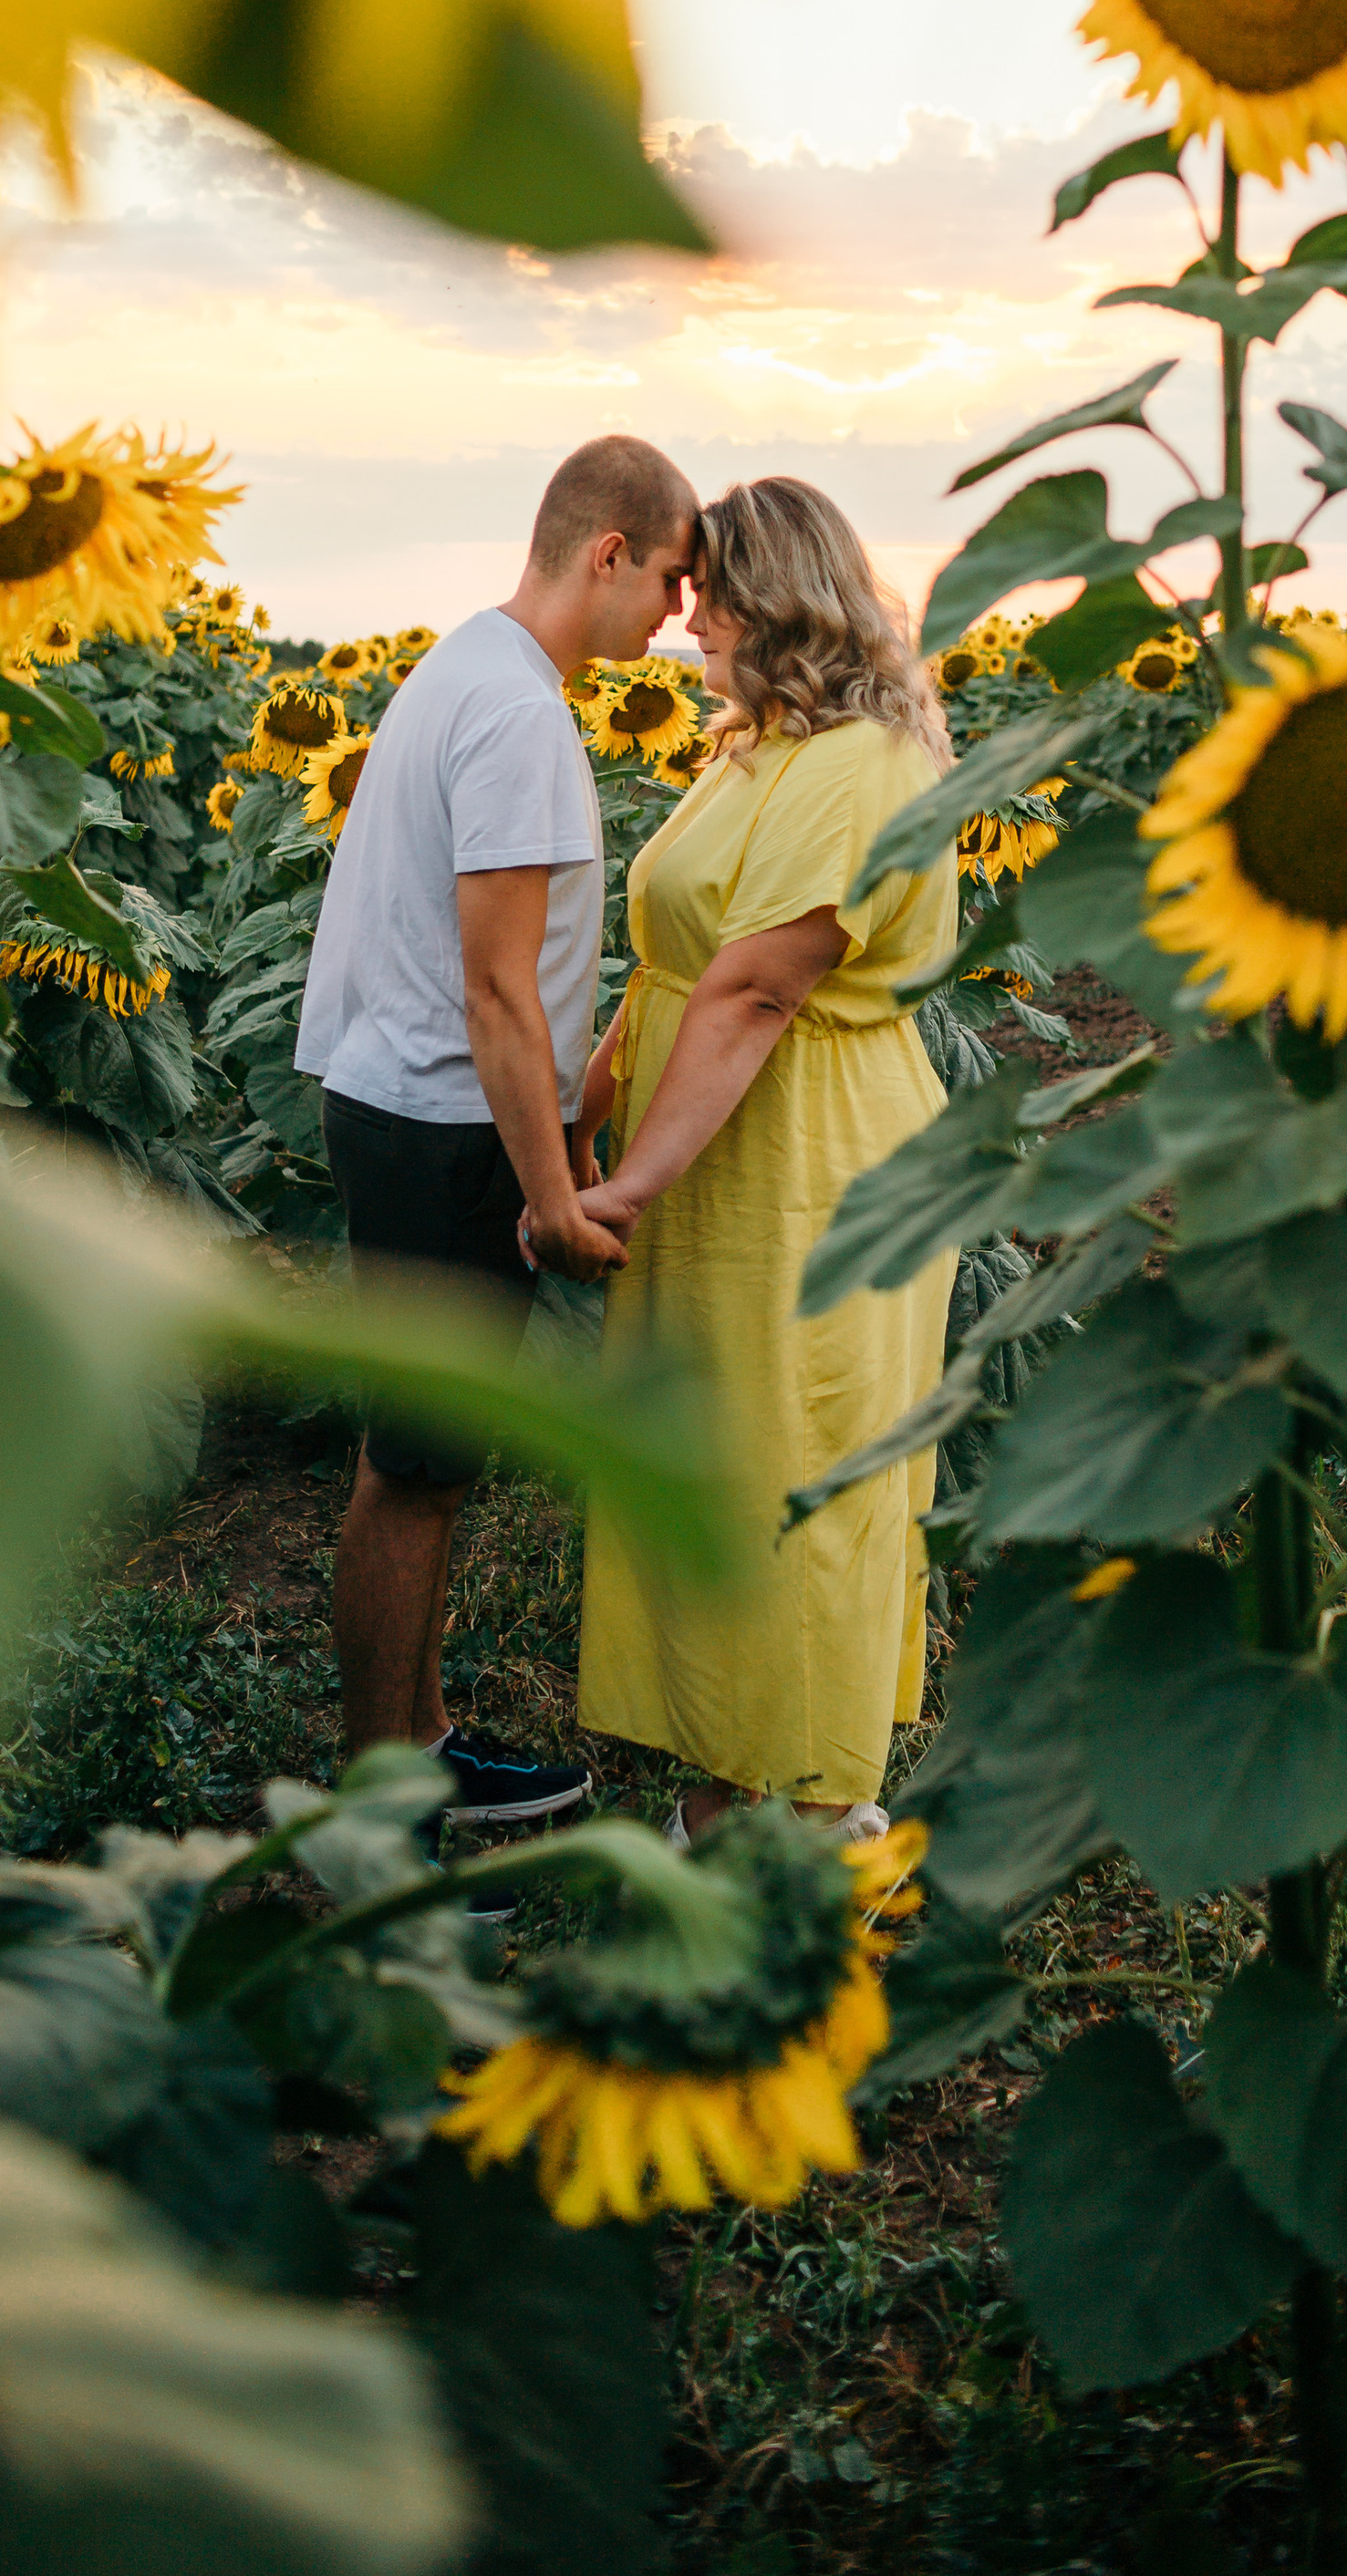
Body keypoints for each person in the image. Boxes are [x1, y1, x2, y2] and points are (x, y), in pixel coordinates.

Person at [295, 433, 698, 1835]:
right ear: (609, 554)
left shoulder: (468, 664)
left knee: (424, 1455)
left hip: (398, 1098)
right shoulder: (523, 715)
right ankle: (383, 1794)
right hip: (446, 1121)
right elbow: (499, 989)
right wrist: (557, 1194)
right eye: (669, 581)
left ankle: (422, 1742)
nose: (676, 618)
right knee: (415, 1474)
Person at [570, 476, 958, 1845]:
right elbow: (674, 957)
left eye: (706, 593)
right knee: (719, 1462)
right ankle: (729, 1777)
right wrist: (595, 1096)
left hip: (810, 1162)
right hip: (713, 1146)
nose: (682, 622)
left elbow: (754, 992)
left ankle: (821, 1810)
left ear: (774, 597)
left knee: (805, 1464)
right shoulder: (754, 751)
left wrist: (624, 1183)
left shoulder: (858, 764)